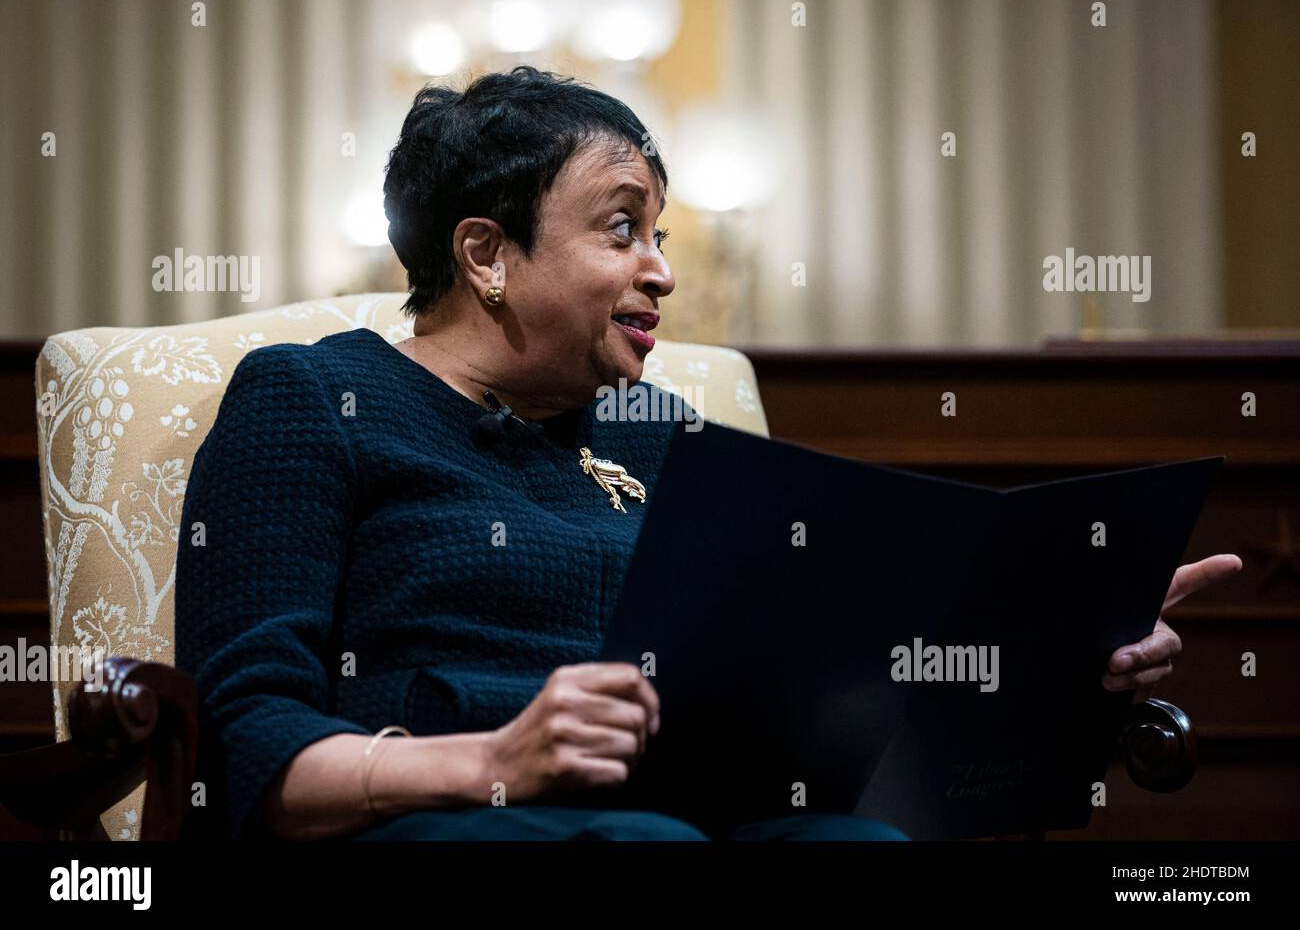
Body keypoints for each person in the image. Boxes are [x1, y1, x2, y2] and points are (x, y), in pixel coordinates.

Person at [175, 66, 1240, 842]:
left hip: (688, 813)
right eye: (621, 228)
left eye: (663, 236)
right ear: (487, 253)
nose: (661, 272)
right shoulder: (312, 396)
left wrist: (1067, 663)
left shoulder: (660, 432)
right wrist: (492, 761)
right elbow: (246, 740)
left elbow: (835, 709)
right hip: (437, 818)